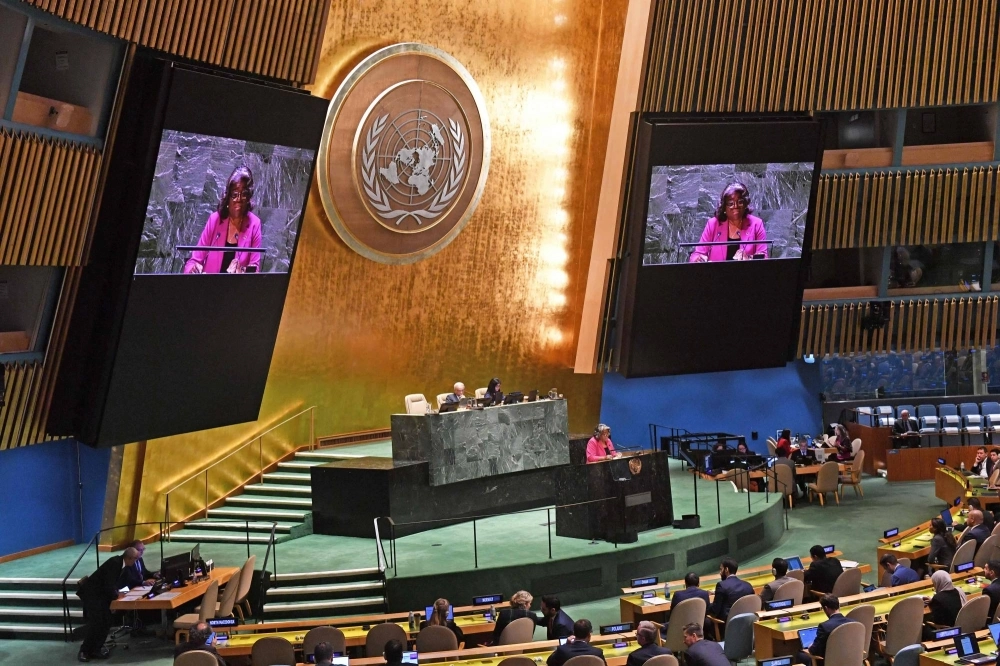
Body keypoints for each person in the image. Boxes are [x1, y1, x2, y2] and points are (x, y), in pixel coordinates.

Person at [183, 166, 263, 274]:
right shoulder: (215, 220)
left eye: (244, 194)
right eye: (234, 194)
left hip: (236, 288)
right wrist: (193, 270)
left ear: (249, 197)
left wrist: (242, 271)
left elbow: (255, 270)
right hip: (210, 286)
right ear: (228, 196)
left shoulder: (254, 224)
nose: (239, 199)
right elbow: (193, 261)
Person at [78, 547, 139, 661]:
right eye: (135, 559)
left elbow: (112, 584)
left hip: (101, 595)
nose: (135, 562)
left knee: (107, 621)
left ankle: (96, 649)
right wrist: (116, 596)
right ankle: (84, 651)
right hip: (92, 595)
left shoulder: (120, 563)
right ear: (130, 558)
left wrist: (116, 595)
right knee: (97, 622)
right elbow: (108, 584)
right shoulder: (115, 563)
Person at [688, 183, 768, 263]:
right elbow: (696, 254)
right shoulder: (713, 224)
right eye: (730, 203)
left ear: (745, 204)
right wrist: (698, 259)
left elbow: (763, 257)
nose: (735, 206)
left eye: (740, 202)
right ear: (724, 208)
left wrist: (748, 258)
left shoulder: (756, 224)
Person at [795, 595, 854, 665]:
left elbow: (814, 651)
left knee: (801, 654)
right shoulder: (853, 622)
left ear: (826, 608)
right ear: (838, 605)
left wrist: (811, 646)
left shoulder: (824, 627)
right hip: (849, 659)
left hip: (830, 662)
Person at [707, 558, 754, 622]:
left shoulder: (721, 585)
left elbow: (715, 611)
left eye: (721, 569)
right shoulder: (748, 586)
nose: (720, 573)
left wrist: (708, 605)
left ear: (726, 570)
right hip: (746, 623)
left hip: (727, 625)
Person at [925, 570, 966, 636]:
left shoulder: (937, 598)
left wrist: (926, 622)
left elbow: (937, 623)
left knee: (924, 626)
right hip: (962, 626)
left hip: (949, 632)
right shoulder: (959, 590)